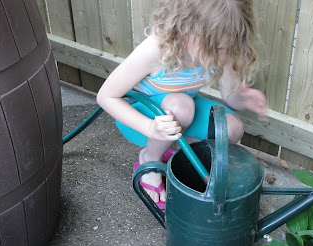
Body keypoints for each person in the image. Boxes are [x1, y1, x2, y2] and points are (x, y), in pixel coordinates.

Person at [97, 0, 267, 209]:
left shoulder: (220, 52)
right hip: (141, 120)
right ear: (185, 28)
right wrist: (151, 128)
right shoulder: (155, 50)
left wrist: (245, 97)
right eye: (215, 47)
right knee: (182, 106)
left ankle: (176, 155)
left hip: (181, 116)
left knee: (231, 127)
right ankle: (150, 160)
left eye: (226, 48)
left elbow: (230, 98)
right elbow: (106, 97)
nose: (220, 55)